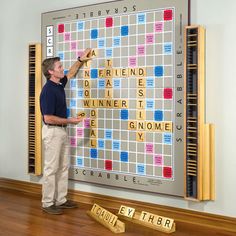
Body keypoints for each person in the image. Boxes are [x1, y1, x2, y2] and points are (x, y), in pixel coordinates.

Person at [40, 48, 92, 215]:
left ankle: (60, 200)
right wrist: (70, 120)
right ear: (51, 72)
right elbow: (48, 118)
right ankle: (47, 203)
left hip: (62, 131)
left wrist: (80, 59)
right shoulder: (48, 90)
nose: (63, 68)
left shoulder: (59, 83)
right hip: (52, 131)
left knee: (63, 167)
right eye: (60, 67)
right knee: (51, 169)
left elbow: (71, 73)